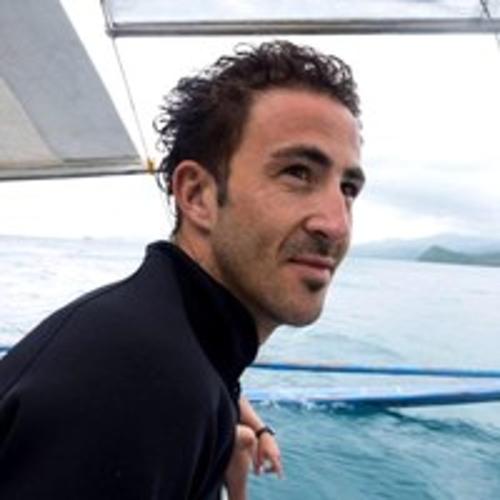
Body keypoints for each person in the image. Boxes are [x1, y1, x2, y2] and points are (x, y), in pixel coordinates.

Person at [0, 40, 364, 499]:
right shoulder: (135, 385)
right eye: (297, 172)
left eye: (348, 188)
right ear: (196, 196)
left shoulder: (176, 343)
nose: (336, 224)